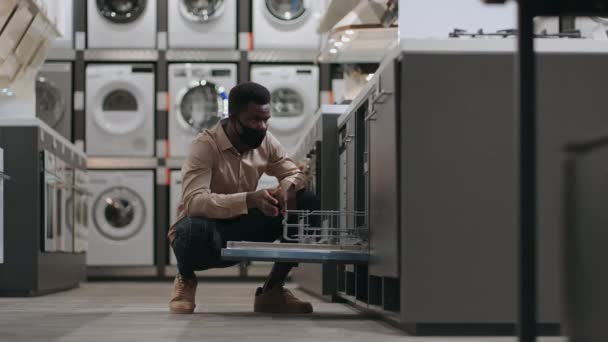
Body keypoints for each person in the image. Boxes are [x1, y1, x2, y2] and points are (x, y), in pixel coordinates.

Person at [167, 82, 319, 314]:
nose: (261, 127)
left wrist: (286, 189)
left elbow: (294, 173)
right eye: (253, 121)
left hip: (244, 225)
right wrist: (250, 199)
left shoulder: (266, 140)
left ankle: (272, 290)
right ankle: (185, 278)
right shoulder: (205, 146)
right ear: (233, 117)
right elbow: (194, 202)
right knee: (188, 230)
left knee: (307, 202)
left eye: (266, 119)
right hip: (209, 231)